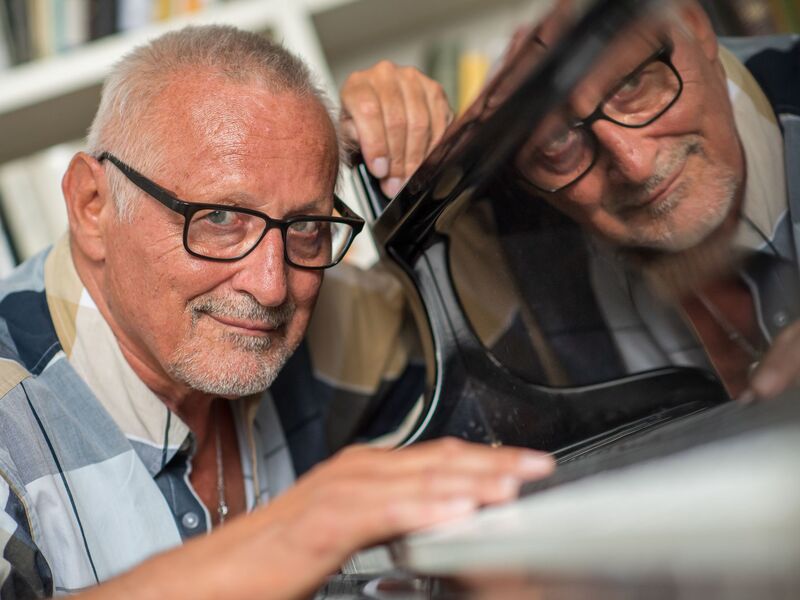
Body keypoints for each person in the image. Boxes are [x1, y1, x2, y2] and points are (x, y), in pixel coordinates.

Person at [0, 26, 556, 599]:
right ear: (92, 207)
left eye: (308, 227)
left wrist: (431, 160)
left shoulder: (323, 317)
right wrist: (298, 532)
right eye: (220, 219)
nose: (271, 288)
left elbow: (502, 327)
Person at [342, 0, 800, 402]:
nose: (635, 165)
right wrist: (374, 137)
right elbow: (372, 341)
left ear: (694, 23)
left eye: (634, 83)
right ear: (520, 173)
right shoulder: (519, 234)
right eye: (558, 141)